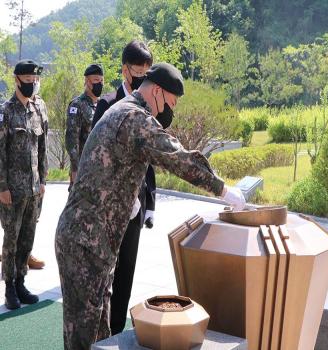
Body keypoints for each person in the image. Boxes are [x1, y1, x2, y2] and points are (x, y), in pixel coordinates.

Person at [55, 62, 245, 350]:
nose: (168, 111)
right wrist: (223, 189)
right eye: (169, 103)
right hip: (86, 242)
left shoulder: (123, 109)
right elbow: (176, 156)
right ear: (157, 91)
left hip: (92, 240)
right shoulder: (134, 117)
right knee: (84, 337)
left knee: (98, 333)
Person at [92, 40, 156, 335]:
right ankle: (101, 334)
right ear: (125, 70)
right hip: (109, 210)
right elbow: (93, 155)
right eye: (138, 71)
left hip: (135, 206)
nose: (142, 76)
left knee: (126, 274)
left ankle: (116, 333)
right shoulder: (107, 103)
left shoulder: (149, 107)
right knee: (105, 275)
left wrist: (149, 204)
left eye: (147, 71)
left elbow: (151, 156)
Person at [0, 59, 48, 310]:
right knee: (11, 239)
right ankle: (9, 288)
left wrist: (43, 181)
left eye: (34, 81)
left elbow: (42, 148)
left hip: (33, 188)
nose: (31, 85)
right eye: (27, 81)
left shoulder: (38, 108)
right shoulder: (5, 112)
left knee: (28, 238)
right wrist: (2, 187)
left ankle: (21, 281)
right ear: (16, 80)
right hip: (12, 191)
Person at [66, 64, 104, 189]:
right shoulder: (77, 105)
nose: (100, 84)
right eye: (96, 80)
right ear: (87, 81)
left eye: (101, 80)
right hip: (83, 168)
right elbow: (72, 140)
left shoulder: (102, 105)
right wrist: (75, 169)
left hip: (100, 169)